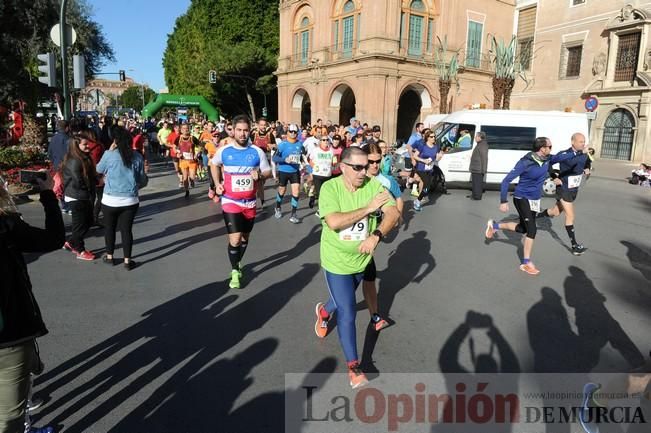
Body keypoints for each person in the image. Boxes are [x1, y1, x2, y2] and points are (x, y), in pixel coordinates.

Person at [314, 146, 400, 389]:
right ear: (343, 167)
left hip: (362, 260)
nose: (365, 171)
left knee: (342, 300)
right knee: (348, 310)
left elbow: (393, 214)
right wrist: (368, 209)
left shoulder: (373, 186)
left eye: (367, 166)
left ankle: (323, 312)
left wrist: (376, 235)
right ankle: (354, 366)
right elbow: (334, 221)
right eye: (358, 167)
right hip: (336, 261)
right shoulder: (330, 188)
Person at [0, 172, 64, 433]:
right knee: (9, 417)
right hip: (10, 335)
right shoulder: (7, 226)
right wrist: (47, 194)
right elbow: (54, 238)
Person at [485, 137, 575, 275]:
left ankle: (494, 226)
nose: (551, 149)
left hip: (534, 200)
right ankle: (526, 263)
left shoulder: (547, 159)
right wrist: (503, 201)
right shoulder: (525, 162)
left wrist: (576, 151)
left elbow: (560, 158)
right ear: (542, 148)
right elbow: (506, 181)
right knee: (532, 230)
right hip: (521, 198)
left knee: (522, 228)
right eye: (549, 147)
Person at [211, 115, 271, 289]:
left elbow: (268, 172)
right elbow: (214, 164)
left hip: (250, 202)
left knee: (245, 238)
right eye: (239, 130)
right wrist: (217, 184)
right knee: (235, 238)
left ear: (249, 131)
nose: (242, 134)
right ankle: (235, 270)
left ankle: (237, 262)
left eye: (245, 130)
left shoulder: (257, 151)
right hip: (230, 200)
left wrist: (259, 175)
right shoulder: (225, 150)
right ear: (233, 131)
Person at [362, 143, 404, 331]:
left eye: (378, 161)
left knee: (368, 276)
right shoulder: (354, 180)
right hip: (350, 239)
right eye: (370, 162)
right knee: (350, 282)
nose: (374, 165)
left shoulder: (386, 181)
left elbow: (399, 199)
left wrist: (396, 216)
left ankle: (374, 316)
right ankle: (325, 310)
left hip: (373, 234)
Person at [96, 126, 147, 270]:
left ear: (115, 141)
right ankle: (127, 260)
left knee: (110, 228)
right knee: (126, 230)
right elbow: (142, 180)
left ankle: (110, 256)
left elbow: (98, 169)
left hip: (110, 199)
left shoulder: (109, 154)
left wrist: (110, 152)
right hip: (130, 199)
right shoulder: (137, 156)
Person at [536, 132, 591, 255]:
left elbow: (587, 162)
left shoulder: (584, 153)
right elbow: (549, 163)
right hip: (563, 188)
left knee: (554, 212)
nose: (583, 144)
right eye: (581, 142)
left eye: (584, 141)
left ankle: (535, 216)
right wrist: (554, 176)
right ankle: (574, 246)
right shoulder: (564, 154)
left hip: (574, 189)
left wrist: (587, 168)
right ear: (573, 142)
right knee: (570, 216)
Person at [62, 136, 97, 261]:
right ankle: (80, 250)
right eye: (85, 144)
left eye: (87, 144)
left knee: (87, 222)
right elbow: (78, 181)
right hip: (76, 197)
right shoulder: (74, 161)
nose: (88, 146)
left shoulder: (83, 157)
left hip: (83, 196)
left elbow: (89, 175)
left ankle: (71, 242)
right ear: (77, 146)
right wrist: (88, 187)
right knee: (79, 225)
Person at [273, 123, 303, 223]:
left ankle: (293, 214)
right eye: (291, 131)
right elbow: (274, 158)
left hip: (295, 171)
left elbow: (302, 156)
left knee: (296, 191)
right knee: (282, 191)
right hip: (283, 171)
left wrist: (304, 164)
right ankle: (277, 207)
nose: (293, 133)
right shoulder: (282, 144)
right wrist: (284, 159)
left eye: (295, 132)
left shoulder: (299, 144)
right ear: (287, 132)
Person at [411, 129, 443, 211]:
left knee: (427, 188)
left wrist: (439, 157)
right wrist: (423, 160)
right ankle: (417, 201)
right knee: (427, 184)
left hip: (430, 169)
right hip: (421, 168)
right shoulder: (423, 146)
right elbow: (415, 155)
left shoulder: (436, 147)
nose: (434, 138)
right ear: (427, 138)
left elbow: (436, 158)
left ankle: (417, 199)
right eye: (431, 137)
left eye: (434, 137)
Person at [47, 120, 70, 214]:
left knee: (60, 185)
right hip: (67, 165)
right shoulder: (68, 139)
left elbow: (50, 153)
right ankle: (68, 206)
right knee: (67, 186)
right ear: (67, 128)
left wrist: (54, 162)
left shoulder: (53, 138)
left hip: (57, 165)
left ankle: (64, 205)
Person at [307, 134, 334, 213]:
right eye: (323, 140)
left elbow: (333, 162)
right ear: (320, 142)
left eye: (327, 140)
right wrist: (314, 168)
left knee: (326, 193)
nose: (326, 141)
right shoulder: (316, 150)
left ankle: (313, 196)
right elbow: (310, 160)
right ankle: (321, 209)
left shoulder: (331, 151)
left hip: (328, 175)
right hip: (318, 175)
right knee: (320, 193)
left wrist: (334, 164)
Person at [175, 124, 200, 198]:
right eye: (184, 128)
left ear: (189, 129)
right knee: (185, 177)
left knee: (192, 177)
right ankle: (186, 191)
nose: (185, 130)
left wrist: (197, 154)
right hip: (183, 160)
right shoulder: (179, 138)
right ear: (181, 130)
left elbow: (199, 146)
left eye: (187, 128)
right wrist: (177, 153)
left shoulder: (192, 138)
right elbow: (174, 147)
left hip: (192, 160)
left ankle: (191, 181)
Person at [468, 131, 489, 200]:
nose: (475, 137)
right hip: (476, 168)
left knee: (477, 184)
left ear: (480, 137)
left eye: (476, 136)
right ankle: (474, 195)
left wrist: (483, 170)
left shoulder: (483, 145)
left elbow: (484, 158)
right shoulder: (479, 144)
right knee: (475, 183)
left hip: (478, 169)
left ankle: (477, 197)